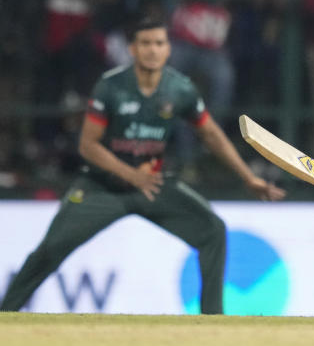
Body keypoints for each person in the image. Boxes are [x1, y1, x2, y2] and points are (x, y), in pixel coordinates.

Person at [0, 18, 285, 315]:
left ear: (168, 49)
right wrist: (130, 175)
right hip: (102, 187)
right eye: (146, 43)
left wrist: (248, 178)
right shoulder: (111, 87)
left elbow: (211, 134)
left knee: (212, 231)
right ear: (133, 49)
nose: (152, 50)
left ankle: (213, 321)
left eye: (159, 43)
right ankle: (6, 315)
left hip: (152, 185)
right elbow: (88, 146)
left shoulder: (179, 89)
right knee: (50, 250)